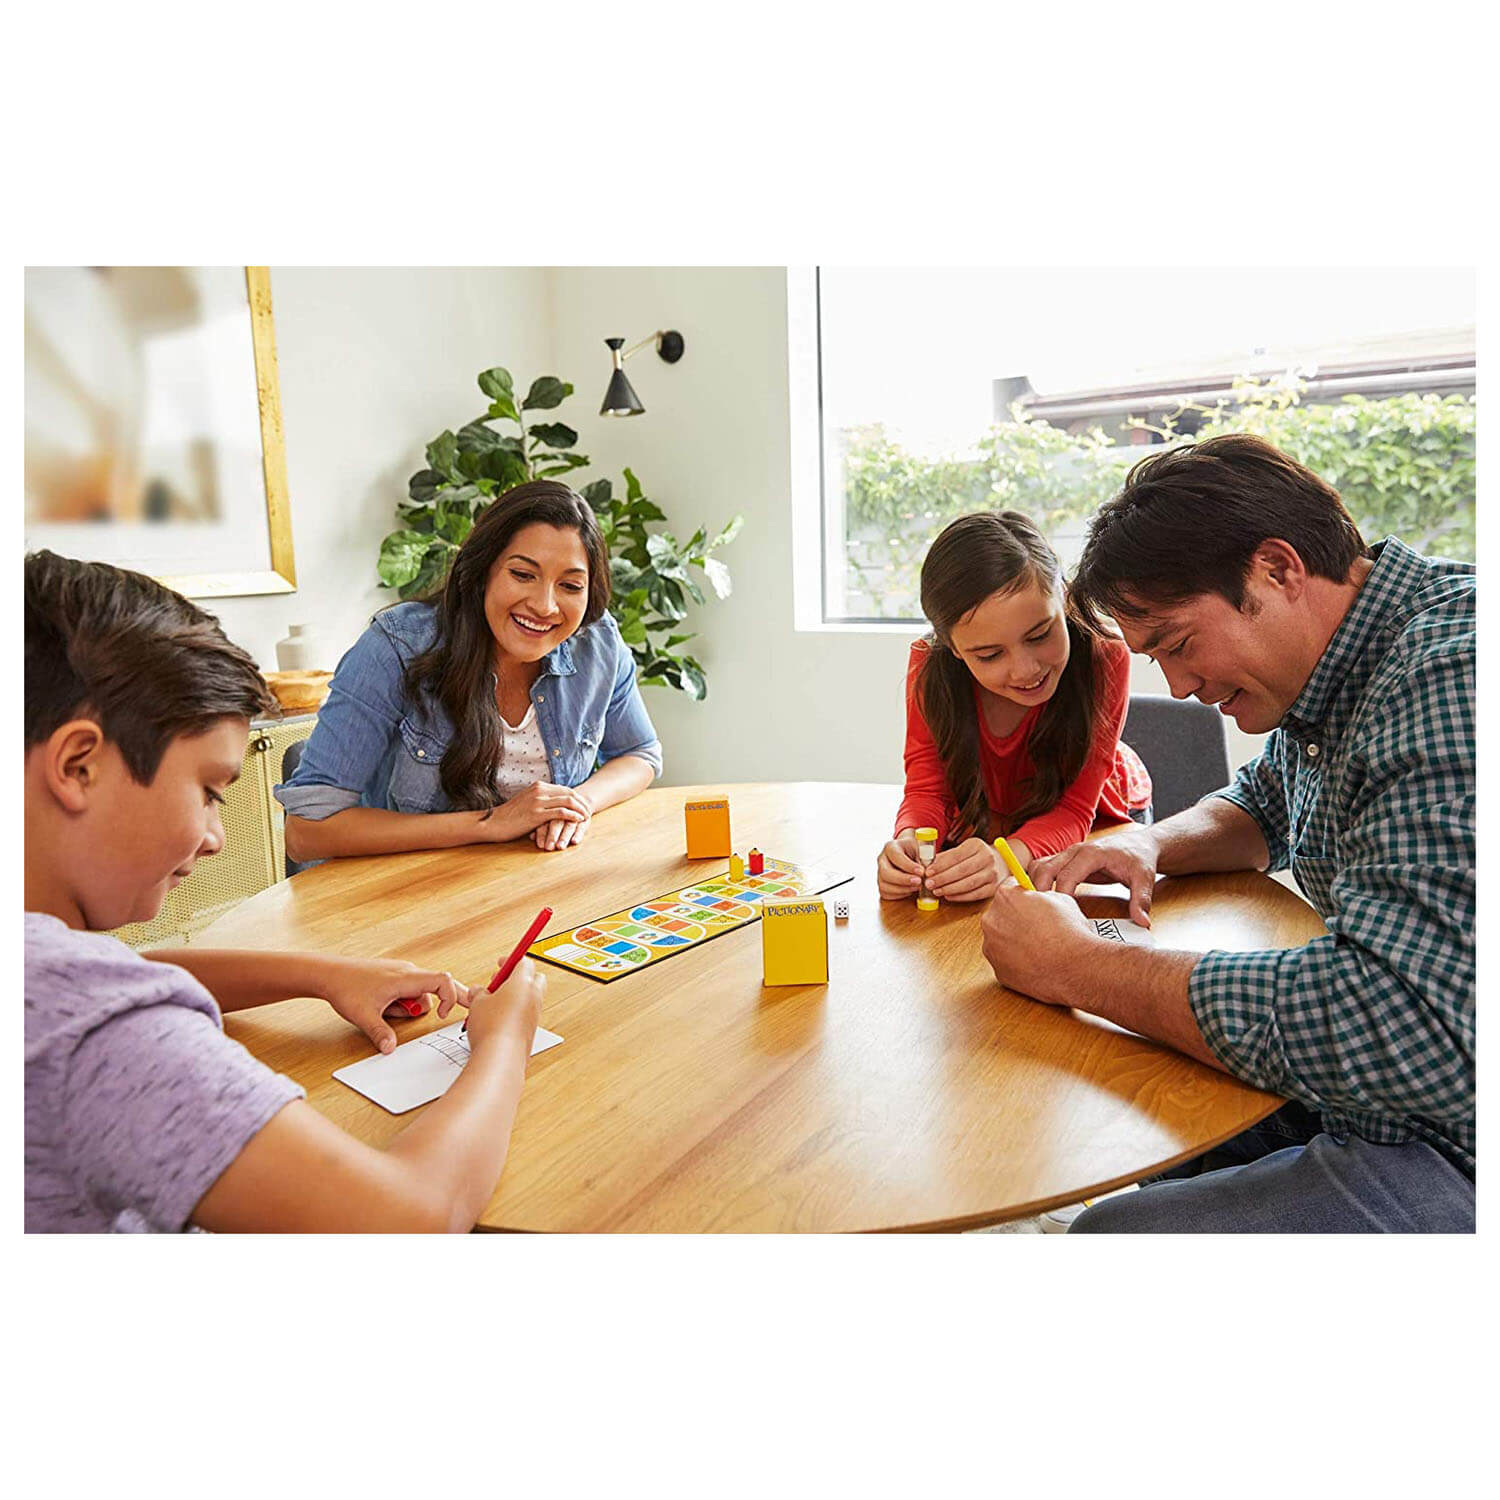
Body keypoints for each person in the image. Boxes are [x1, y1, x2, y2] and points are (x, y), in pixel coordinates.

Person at [979, 435, 1474, 1232]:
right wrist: (1146, 843)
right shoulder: (1348, 665)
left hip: (1459, 1142)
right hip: (1422, 1100)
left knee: (1115, 1236)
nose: (1178, 687)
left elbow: (1401, 1021)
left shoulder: (1449, 678)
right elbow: (1263, 804)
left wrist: (1080, 967)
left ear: (1276, 570)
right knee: (1161, 1117)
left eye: (1177, 645)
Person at [25, 550, 544, 1232]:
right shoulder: (97, 1033)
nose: (215, 835)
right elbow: (410, 1222)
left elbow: (117, 975)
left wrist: (319, 973)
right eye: (209, 791)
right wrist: (504, 1042)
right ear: (78, 764)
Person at [279, 480, 662, 862]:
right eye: (523, 575)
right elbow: (307, 832)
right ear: (482, 572)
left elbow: (640, 753)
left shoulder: (597, 642)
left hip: (534, 882)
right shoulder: (396, 647)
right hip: (407, 893)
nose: (546, 606)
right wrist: (491, 823)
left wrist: (575, 805)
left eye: (570, 585)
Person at [877, 511, 1150, 906]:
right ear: (952, 649)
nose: (1026, 670)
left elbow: (1075, 810)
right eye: (989, 655)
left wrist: (1007, 859)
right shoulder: (928, 663)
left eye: (1040, 635)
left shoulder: (1104, 654)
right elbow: (926, 789)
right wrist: (909, 845)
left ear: (1063, 596)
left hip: (1100, 819)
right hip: (990, 824)